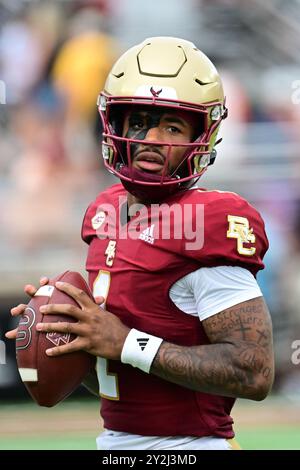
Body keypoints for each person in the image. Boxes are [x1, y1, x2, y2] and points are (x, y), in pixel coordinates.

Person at [6, 37, 274, 450]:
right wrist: (70, 337)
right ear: (115, 127)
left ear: (202, 136)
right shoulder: (105, 213)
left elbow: (253, 372)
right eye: (139, 122)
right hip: (116, 445)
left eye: (172, 125)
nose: (151, 138)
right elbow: (129, 379)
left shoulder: (208, 221)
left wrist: (125, 340)